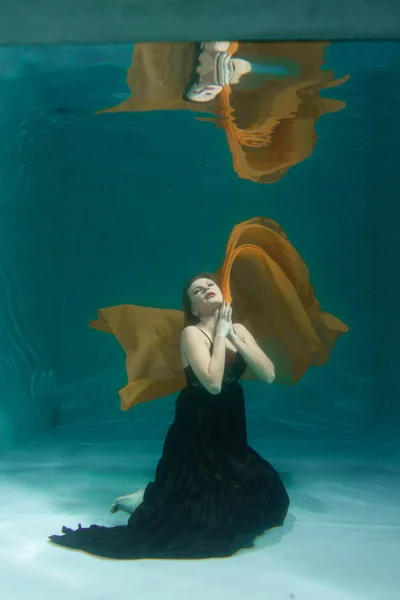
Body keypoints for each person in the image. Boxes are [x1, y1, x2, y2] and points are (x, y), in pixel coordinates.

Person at [49, 273, 290, 559]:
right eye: (197, 292)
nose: (206, 290)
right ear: (195, 309)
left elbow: (269, 374)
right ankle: (144, 500)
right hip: (198, 422)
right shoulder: (192, 334)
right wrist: (221, 335)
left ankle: (150, 494)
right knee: (204, 517)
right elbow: (212, 385)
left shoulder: (238, 329)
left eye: (210, 286)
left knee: (268, 495)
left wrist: (233, 334)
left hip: (230, 420)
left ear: (222, 294)